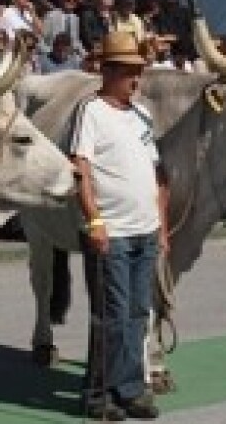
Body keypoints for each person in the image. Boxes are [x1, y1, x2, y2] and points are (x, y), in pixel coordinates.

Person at [70, 31, 167, 421]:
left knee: (138, 313)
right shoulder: (91, 111)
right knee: (112, 315)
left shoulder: (142, 115)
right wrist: (94, 219)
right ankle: (98, 394)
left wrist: (162, 227)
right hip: (111, 231)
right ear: (107, 71)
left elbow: (156, 172)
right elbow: (80, 167)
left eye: (138, 71)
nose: (135, 79)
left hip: (145, 229)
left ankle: (128, 389)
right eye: (128, 71)